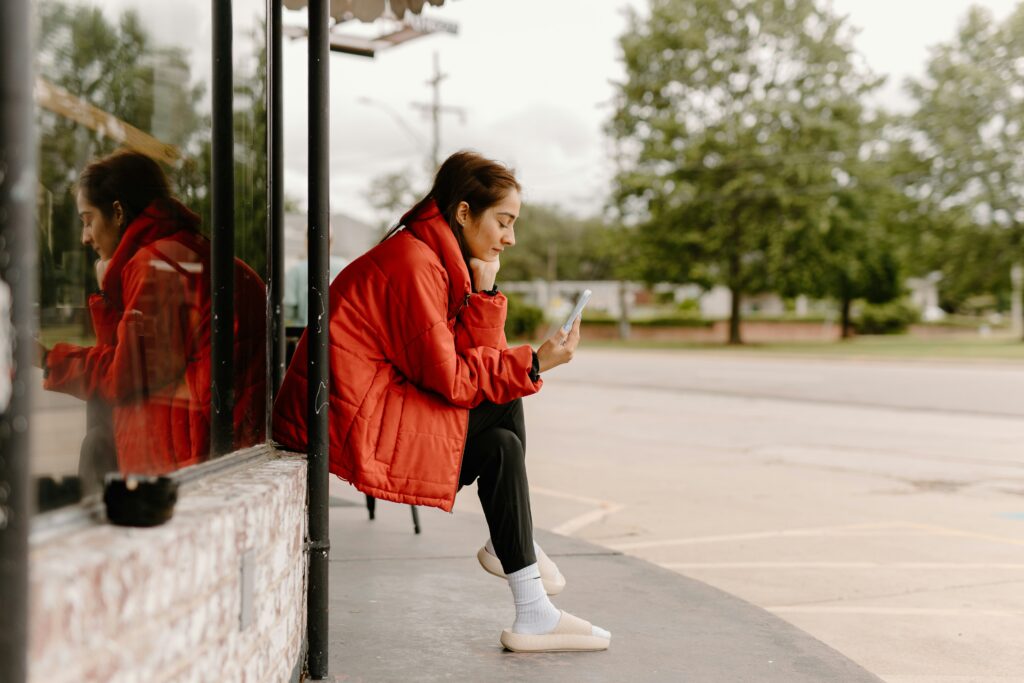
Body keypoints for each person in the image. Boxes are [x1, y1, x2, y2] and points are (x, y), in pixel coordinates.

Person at [273, 150, 610, 652]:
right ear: (463, 212)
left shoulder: (433, 258)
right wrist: (536, 363)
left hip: (368, 405)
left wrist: (486, 290)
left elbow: (472, 366)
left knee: (500, 443)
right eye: (504, 220)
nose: (510, 237)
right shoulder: (414, 262)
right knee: (508, 393)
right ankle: (524, 584)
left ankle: (529, 601)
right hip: (350, 419)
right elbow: (454, 378)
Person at [37, 150, 266, 480]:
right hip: (223, 448)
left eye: (88, 221)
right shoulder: (190, 253)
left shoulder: (157, 266)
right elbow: (137, 359)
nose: (85, 238)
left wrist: (46, 358)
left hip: (185, 462)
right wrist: (113, 290)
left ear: (117, 212)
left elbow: (122, 378)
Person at [283, 227, 348, 327]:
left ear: (307, 241)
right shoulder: (344, 267)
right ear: (331, 242)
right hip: (338, 334)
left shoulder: (296, 270)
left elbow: (288, 310)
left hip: (304, 334)